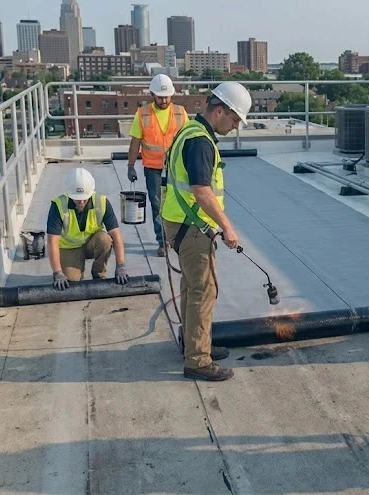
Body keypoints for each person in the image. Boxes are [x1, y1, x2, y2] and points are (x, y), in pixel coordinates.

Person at [161, 81, 253, 382]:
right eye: (235, 118)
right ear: (220, 110)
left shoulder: (190, 131)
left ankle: (194, 344)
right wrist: (228, 227)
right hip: (193, 227)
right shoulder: (200, 141)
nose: (236, 125)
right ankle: (198, 360)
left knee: (191, 287)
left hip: (182, 224)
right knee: (205, 290)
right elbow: (202, 191)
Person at [126, 73, 189, 257]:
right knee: (157, 204)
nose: (164, 99)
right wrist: (131, 165)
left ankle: (178, 237)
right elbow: (135, 141)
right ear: (152, 94)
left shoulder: (180, 112)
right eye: (161, 96)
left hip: (176, 165)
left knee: (179, 201)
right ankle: (163, 242)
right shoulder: (143, 114)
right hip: (153, 167)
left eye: (167, 96)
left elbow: (189, 137)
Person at [47, 168, 129, 290]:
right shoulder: (58, 205)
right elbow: (52, 242)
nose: (81, 201)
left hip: (92, 244)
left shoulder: (101, 202)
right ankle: (76, 268)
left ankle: (98, 273)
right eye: (77, 198)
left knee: (105, 239)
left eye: (84, 198)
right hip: (69, 248)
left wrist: (121, 265)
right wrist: (57, 272)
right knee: (72, 281)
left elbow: (116, 235)